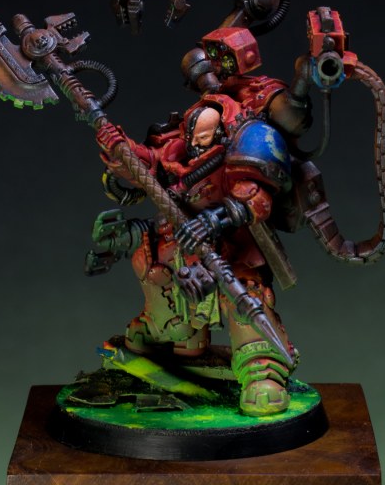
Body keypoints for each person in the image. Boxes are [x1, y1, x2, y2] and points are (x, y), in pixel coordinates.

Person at [95, 93, 297, 416]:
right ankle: (171, 333)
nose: (195, 146)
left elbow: (256, 199)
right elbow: (146, 163)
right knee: (155, 270)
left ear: (219, 134)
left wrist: (215, 219)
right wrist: (119, 147)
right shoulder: (177, 150)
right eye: (193, 139)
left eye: (203, 139)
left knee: (245, 298)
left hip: (232, 248)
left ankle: (262, 371)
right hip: (183, 245)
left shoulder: (240, 150)